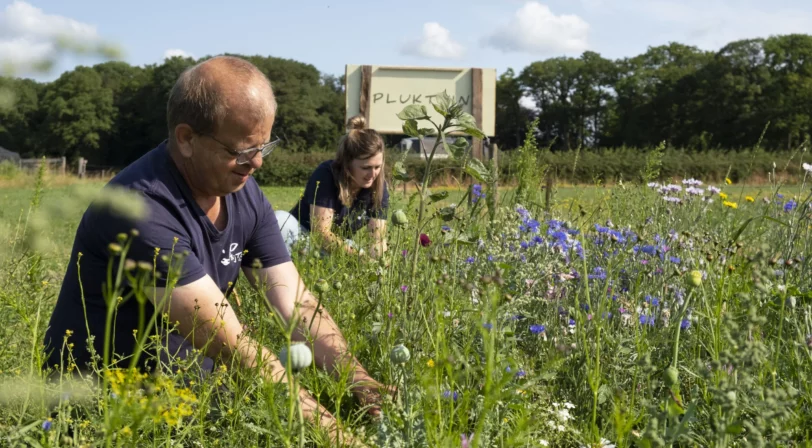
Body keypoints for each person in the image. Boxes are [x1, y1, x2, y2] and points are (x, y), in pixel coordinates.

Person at [42, 55, 386, 445]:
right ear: (187, 139)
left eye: (264, 146)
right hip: (107, 403)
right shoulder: (140, 209)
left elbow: (297, 306)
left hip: (188, 380)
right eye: (242, 151)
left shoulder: (242, 191)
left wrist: (359, 380)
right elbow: (235, 348)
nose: (256, 163)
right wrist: (338, 436)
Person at [276, 116, 389, 258]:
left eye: (377, 167)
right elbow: (321, 233)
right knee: (280, 219)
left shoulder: (378, 186)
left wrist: (378, 265)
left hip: (338, 246)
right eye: (366, 167)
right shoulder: (326, 174)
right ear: (348, 164)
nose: (372, 174)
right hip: (304, 239)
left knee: (358, 254)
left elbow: (377, 239)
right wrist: (360, 258)